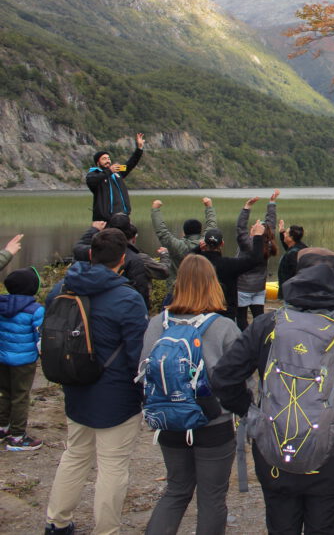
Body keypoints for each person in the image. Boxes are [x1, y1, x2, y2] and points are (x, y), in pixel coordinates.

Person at [211, 249, 334, 535]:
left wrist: (252, 415)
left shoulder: (267, 324)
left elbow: (224, 379)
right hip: (332, 457)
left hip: (274, 448)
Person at [44, 229, 148, 535]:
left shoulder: (61, 288)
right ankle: (106, 530)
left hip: (75, 384)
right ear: (122, 261)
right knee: (113, 466)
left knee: (75, 455)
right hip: (116, 395)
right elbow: (137, 355)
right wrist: (143, 391)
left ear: (90, 254)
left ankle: (57, 521)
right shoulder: (128, 299)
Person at [141, 255, 242, 535]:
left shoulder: (155, 324)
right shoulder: (224, 327)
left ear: (179, 283)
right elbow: (239, 380)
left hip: (169, 418)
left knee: (176, 490)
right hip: (214, 422)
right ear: (213, 284)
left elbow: (143, 370)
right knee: (211, 498)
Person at [0, 267, 44, 451]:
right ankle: (18, 437)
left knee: (4, 392)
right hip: (24, 361)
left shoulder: (1, 304)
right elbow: (40, 337)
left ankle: (3, 427)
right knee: (21, 396)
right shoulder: (36, 310)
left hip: (2, 357)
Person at [73, 214, 155, 312]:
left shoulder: (69, 284)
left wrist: (94, 230)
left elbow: (78, 249)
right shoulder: (134, 259)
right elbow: (141, 296)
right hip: (122, 311)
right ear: (121, 259)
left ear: (90, 255)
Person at [195, 225, 265, 325]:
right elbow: (256, 260)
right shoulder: (230, 264)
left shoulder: (197, 263)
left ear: (204, 244)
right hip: (225, 313)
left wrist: (197, 248)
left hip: (201, 311)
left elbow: (185, 259)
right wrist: (258, 236)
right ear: (222, 244)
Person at [151, 197, 218, 298]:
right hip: (202, 292)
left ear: (184, 232)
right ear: (200, 231)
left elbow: (162, 232)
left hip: (177, 292)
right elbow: (212, 224)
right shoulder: (205, 243)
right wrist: (209, 206)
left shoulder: (177, 246)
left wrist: (155, 210)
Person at [235, 192, 278, 330]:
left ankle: (245, 340)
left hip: (243, 287)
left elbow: (240, 228)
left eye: (256, 225)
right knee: (259, 317)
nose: (254, 225)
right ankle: (261, 339)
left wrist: (247, 207)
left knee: (241, 317)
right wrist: (271, 203)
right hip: (259, 287)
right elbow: (271, 224)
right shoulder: (269, 244)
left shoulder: (248, 244)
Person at [86, 133, 145, 222]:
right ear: (98, 163)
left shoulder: (117, 172)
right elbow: (92, 181)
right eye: (104, 159)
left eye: (108, 158)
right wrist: (109, 171)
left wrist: (139, 149)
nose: (108, 161)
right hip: (105, 219)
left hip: (123, 216)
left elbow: (130, 164)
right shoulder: (93, 173)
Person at [276, 220, 307, 287]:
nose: (284, 234)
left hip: (291, 292)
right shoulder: (301, 247)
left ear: (291, 238)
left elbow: (296, 274)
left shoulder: (293, 254)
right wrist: (282, 232)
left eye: (286, 233)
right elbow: (289, 247)